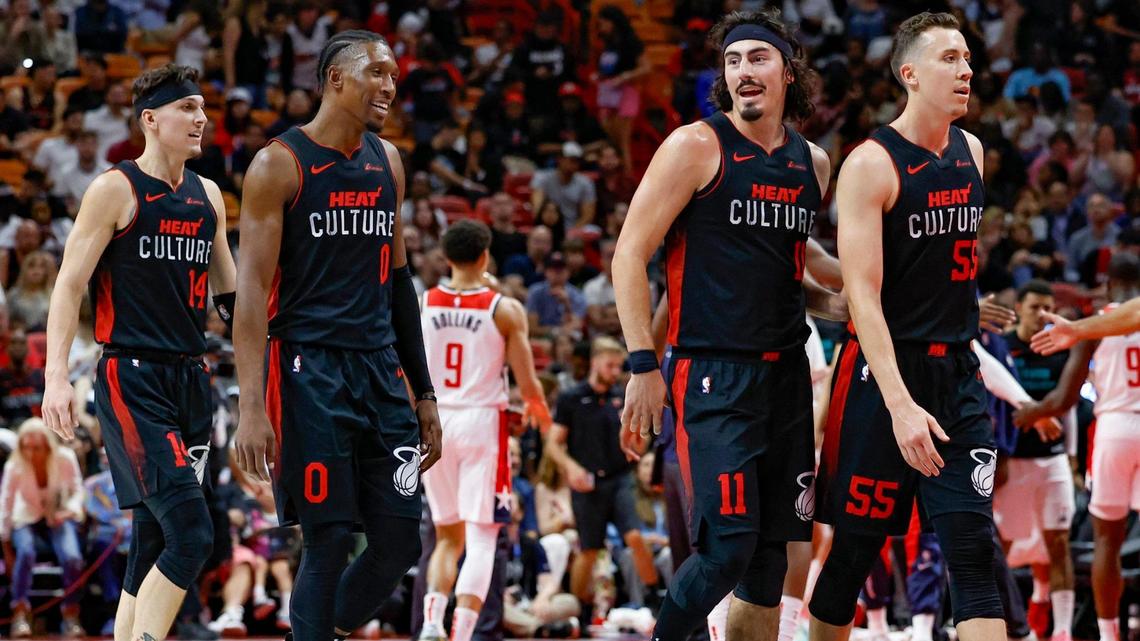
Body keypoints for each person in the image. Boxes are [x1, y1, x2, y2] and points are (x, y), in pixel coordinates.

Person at [612, 9, 842, 641]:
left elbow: (796, 267)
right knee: (728, 548)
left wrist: (857, 297)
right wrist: (641, 365)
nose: (744, 71)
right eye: (733, 60)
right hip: (712, 373)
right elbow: (630, 253)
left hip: (787, 378)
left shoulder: (812, 164)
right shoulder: (695, 146)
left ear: (788, 72)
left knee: (770, 564)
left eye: (758, 59)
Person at [231, 30, 442, 641]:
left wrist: (423, 392)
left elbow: (399, 283)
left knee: (400, 541)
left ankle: (327, 630)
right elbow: (249, 296)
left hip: (379, 370)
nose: (389, 84)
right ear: (335, 79)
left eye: (394, 74)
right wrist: (250, 406)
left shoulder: (388, 161)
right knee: (327, 541)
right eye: (376, 72)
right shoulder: (279, 164)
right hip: (308, 371)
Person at [807, 11, 1004, 641]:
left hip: (957, 372)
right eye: (949, 58)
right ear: (909, 73)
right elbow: (861, 295)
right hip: (880, 379)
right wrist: (900, 405)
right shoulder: (871, 163)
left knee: (973, 553)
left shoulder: (972, 151)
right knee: (852, 560)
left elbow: (943, 265)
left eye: (968, 58)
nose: (966, 70)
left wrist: (971, 309)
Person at [40, 62, 237, 641]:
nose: (202, 118)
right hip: (133, 377)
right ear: (151, 120)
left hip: (191, 380)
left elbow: (229, 299)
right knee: (193, 534)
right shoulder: (115, 189)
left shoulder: (209, 196)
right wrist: (56, 378)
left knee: (154, 538)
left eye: (203, 108)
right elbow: (68, 285)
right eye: (188, 108)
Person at [418, 220, 552, 641]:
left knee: (446, 536)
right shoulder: (503, 308)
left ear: (446, 257)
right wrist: (538, 408)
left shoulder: (423, 303)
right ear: (485, 256)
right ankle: (461, 634)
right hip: (481, 422)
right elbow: (528, 383)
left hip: (435, 421)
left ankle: (431, 623)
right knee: (481, 538)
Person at [1014, 253, 1140, 641]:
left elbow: (1065, 398)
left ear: (1106, 284)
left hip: (1114, 429)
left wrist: (1030, 411)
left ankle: (1108, 634)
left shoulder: (1099, 323)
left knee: (1108, 539)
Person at [544, 337, 659, 612]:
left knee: (634, 537)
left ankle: (655, 596)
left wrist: (639, 442)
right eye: (610, 365)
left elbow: (639, 441)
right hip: (587, 483)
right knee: (590, 549)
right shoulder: (571, 398)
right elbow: (552, 444)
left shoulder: (622, 396)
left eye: (619, 366)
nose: (615, 371)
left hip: (620, 478)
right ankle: (579, 607)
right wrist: (571, 468)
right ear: (595, 363)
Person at [994, 281, 1077, 641]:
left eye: (1047, 308)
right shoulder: (1002, 345)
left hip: (1052, 460)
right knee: (1002, 549)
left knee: (1058, 544)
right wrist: (997, 454)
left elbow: (1068, 408)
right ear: (1019, 308)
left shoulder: (1058, 346)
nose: (1042, 315)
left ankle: (1061, 631)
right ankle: (1005, 625)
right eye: (1034, 307)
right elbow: (993, 402)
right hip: (1013, 462)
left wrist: (1072, 459)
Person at [0, 418, 86, 638]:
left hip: (58, 514)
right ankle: (20, 612)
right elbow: (6, 502)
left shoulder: (65, 458)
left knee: (72, 557)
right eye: (25, 447)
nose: (30, 453)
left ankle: (70, 615)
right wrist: (5, 540)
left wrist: (70, 511)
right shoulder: (14, 464)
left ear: (48, 444)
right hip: (25, 516)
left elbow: (78, 490)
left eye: (36, 447)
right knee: (26, 552)